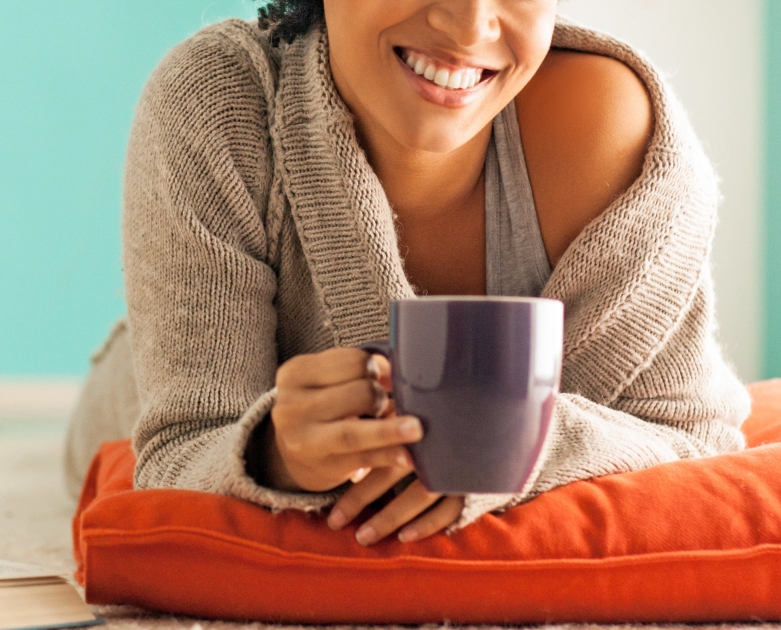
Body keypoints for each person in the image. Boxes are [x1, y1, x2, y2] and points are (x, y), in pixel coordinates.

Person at [64, 0, 751, 546]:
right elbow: (180, 448)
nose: (469, 24)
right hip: (138, 387)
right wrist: (273, 454)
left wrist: (522, 447)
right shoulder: (220, 101)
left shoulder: (613, 128)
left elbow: (693, 439)